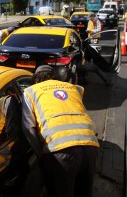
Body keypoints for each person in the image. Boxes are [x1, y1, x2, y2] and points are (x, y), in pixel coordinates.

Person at [22, 65, 99, 197]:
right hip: (90, 147)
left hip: (60, 151)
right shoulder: (73, 88)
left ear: (35, 80)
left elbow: (28, 127)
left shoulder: (30, 91)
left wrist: (41, 153)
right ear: (55, 76)